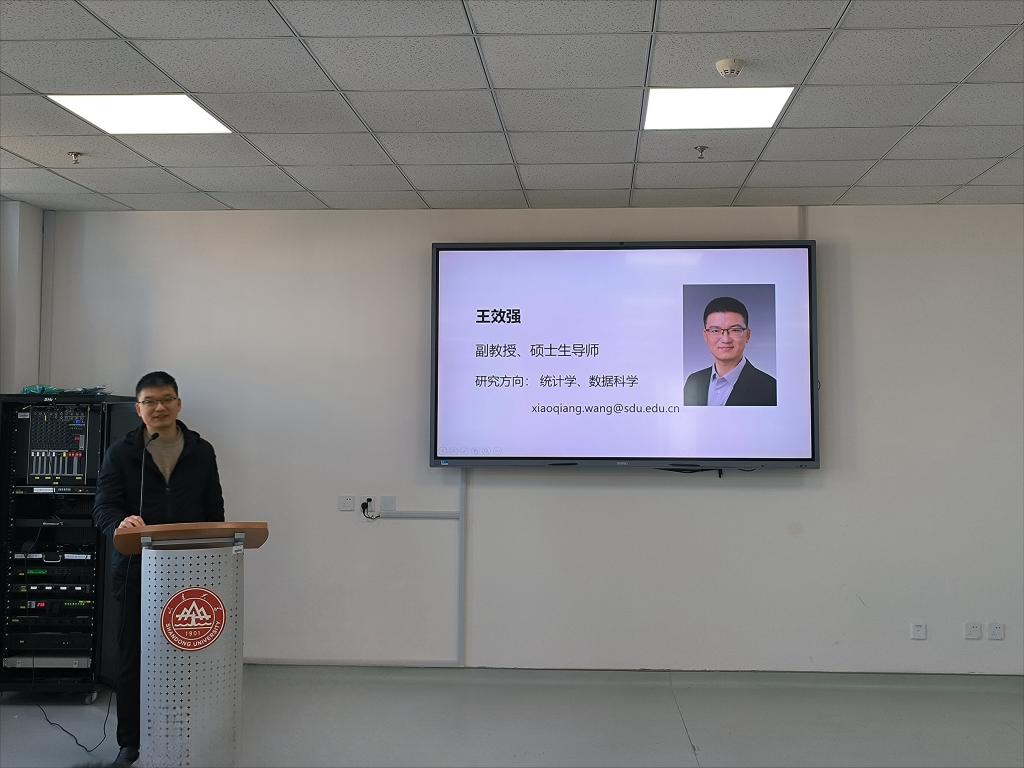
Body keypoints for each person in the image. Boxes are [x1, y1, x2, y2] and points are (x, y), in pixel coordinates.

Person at [93, 371, 224, 767]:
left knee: (189, 656)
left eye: (166, 399)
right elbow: (103, 508)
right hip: (137, 570)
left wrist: (215, 556)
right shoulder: (121, 453)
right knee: (133, 657)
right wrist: (121, 523)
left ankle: (188, 731)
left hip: (190, 570)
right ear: (138, 410)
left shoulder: (201, 451)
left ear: (178, 404)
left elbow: (214, 510)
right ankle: (130, 742)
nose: (159, 407)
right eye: (149, 401)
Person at [683, 296, 777, 406]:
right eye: (715, 330)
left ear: (747, 335)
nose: (725, 339)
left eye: (735, 330)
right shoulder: (693, 381)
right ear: (705, 336)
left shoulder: (770, 388)